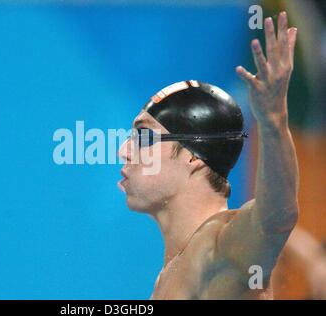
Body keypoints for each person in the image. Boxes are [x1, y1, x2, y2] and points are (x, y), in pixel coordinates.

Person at [118, 12, 299, 299]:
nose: (123, 151)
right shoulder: (170, 271)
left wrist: (274, 121)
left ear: (193, 156)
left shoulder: (220, 245)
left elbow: (276, 219)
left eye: (143, 137)